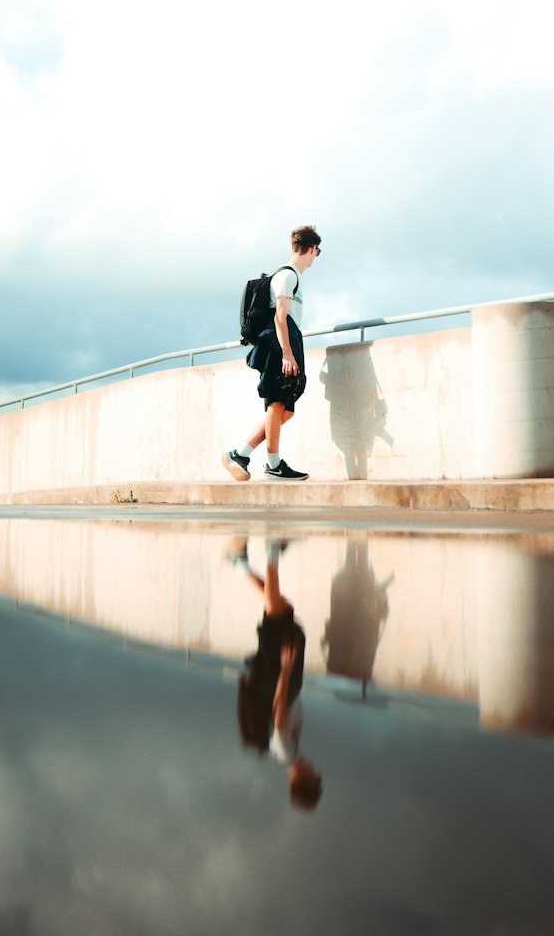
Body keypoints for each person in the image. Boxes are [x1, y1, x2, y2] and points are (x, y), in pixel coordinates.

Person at [223, 225, 322, 482]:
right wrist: (287, 353)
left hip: (284, 339)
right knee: (278, 402)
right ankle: (273, 464)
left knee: (284, 408)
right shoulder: (288, 276)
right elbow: (280, 317)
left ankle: (241, 454)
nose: (315, 258)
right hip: (281, 342)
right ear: (311, 249)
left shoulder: (287, 276)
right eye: (317, 252)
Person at [230, 537, 323, 810]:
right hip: (275, 679)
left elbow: (280, 711)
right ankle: (241, 565)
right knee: (282, 610)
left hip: (276, 678)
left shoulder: (286, 753)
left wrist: (284, 671)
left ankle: (271, 553)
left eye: (316, 778)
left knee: (277, 619)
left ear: (307, 780)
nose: (316, 771)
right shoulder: (286, 753)